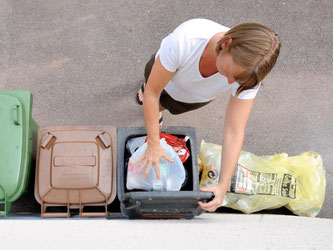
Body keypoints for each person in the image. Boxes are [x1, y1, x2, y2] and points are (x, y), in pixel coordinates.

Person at [135, 18, 281, 212]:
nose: (229, 81)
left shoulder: (248, 76)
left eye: (235, 79)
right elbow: (153, 93)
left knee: (165, 106)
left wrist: (223, 185)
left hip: (192, 98)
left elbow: (234, 129)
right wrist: (153, 143)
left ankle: (159, 111)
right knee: (150, 93)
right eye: (229, 71)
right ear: (227, 43)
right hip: (164, 76)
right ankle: (150, 101)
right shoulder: (187, 40)